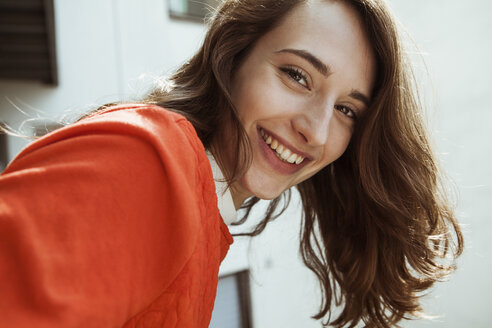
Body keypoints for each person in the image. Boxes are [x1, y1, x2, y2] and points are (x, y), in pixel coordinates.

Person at [0, 0, 463, 327]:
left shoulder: (203, 205)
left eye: (347, 110)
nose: (317, 132)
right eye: (297, 75)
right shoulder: (152, 159)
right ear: (233, 55)